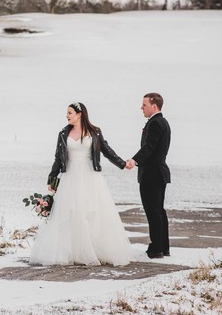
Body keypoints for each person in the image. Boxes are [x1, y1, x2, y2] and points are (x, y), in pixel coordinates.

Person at [29, 102, 133, 266]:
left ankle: (94, 250)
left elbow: (106, 150)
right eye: (67, 113)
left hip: (91, 177)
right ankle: (72, 251)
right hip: (70, 176)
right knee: (70, 213)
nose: (67, 116)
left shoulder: (94, 132)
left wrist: (122, 163)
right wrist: (52, 178)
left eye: (70, 113)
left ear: (80, 114)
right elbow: (58, 157)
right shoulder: (63, 133)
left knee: (91, 212)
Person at [125, 93, 171, 259]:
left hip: (152, 174)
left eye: (144, 104)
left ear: (154, 106)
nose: (141, 107)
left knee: (153, 211)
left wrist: (134, 160)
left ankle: (156, 248)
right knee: (158, 211)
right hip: (158, 173)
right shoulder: (161, 122)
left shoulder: (156, 123)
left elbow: (149, 147)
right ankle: (163, 247)